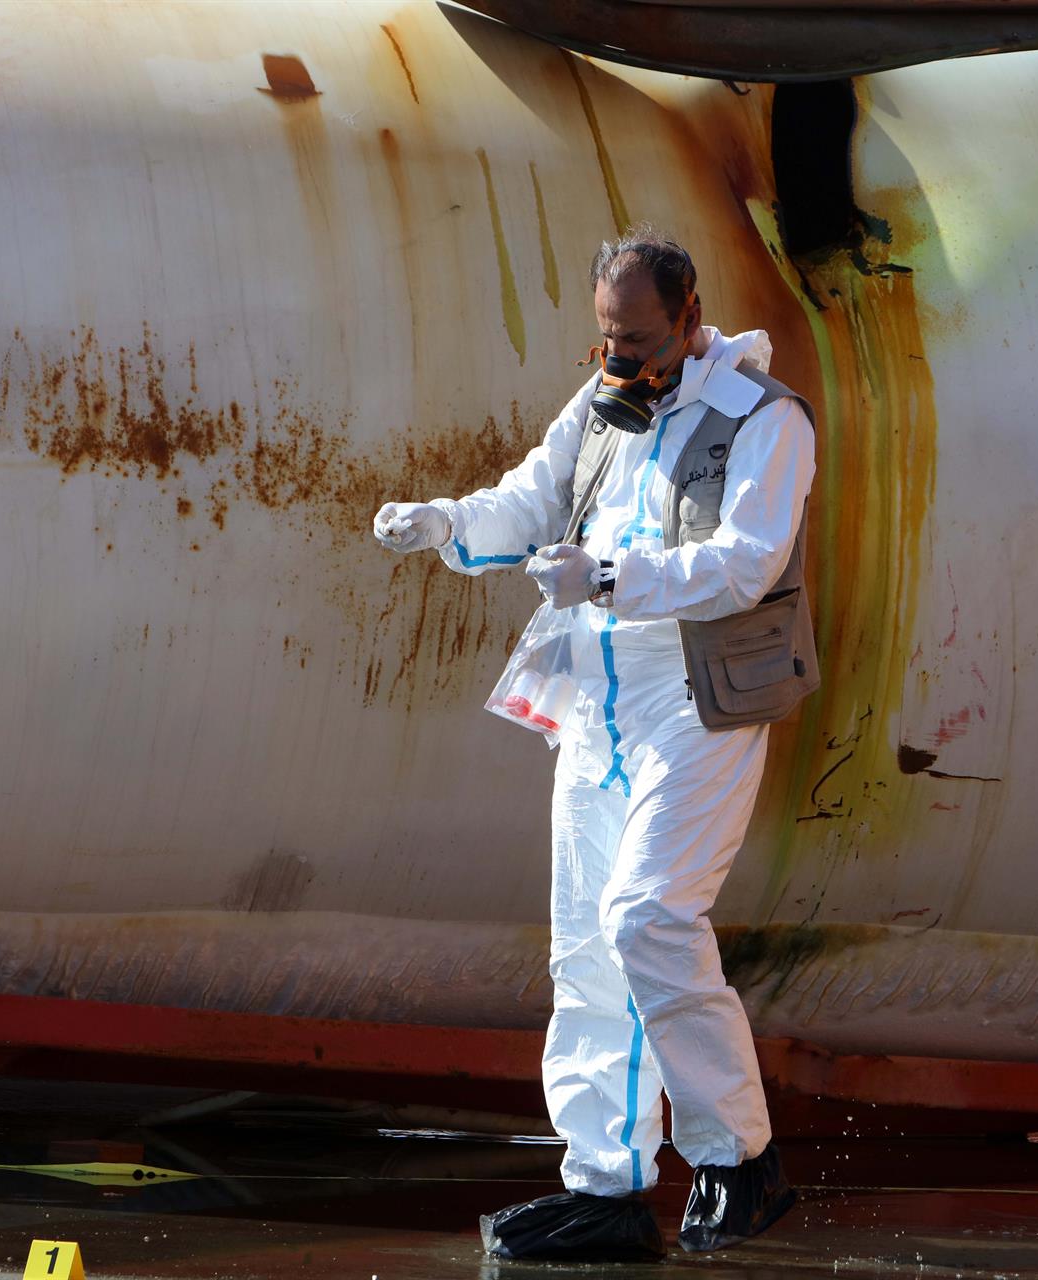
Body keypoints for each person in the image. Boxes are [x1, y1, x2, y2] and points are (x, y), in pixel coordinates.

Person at [371, 228, 818, 1262]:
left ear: (692, 319)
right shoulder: (603, 408)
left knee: (650, 915)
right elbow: (532, 498)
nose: (620, 361)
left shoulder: (763, 419)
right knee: (586, 942)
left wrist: (614, 577)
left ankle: (739, 1158)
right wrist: (445, 523)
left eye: (641, 340)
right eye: (607, 340)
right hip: (597, 698)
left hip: (693, 702)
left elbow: (745, 564)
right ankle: (605, 1184)